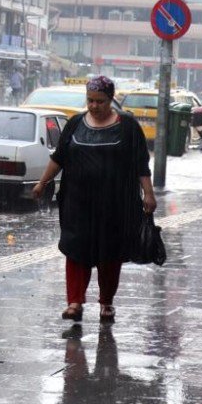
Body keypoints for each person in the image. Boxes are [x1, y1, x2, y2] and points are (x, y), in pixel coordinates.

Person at [33, 76, 155, 323]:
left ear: (111, 100)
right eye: (90, 100)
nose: (94, 106)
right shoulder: (76, 123)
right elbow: (59, 158)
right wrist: (42, 182)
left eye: (100, 101)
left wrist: (148, 194)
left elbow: (141, 162)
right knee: (76, 249)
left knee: (109, 253)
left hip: (115, 203)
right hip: (77, 201)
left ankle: (106, 303)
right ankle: (74, 302)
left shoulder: (128, 126)